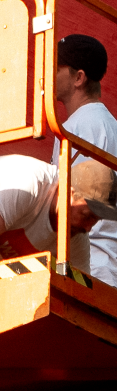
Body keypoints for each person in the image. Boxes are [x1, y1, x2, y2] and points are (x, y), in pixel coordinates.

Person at [49, 35, 117, 282]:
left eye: (56, 69)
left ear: (79, 78)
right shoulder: (108, 124)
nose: (49, 74)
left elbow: (73, 207)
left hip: (91, 266)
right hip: (107, 264)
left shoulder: (78, 127)